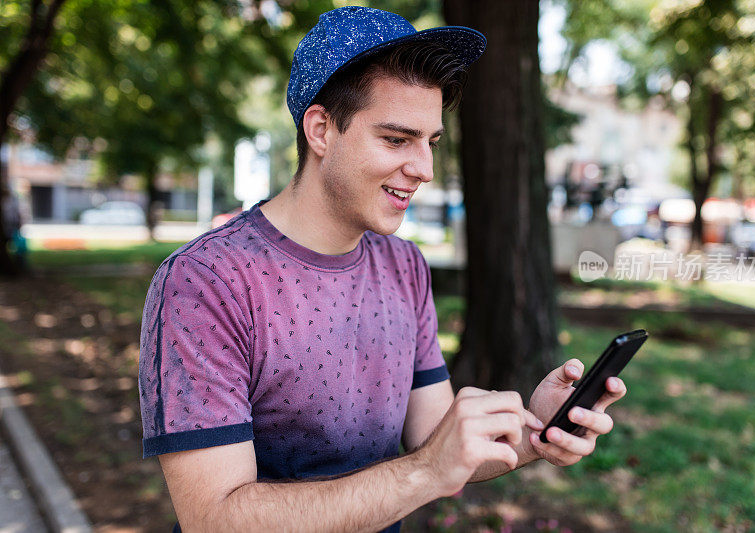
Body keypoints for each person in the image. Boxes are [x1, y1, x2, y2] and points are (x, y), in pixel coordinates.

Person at [138, 7, 627, 532]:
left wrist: (537, 433)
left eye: (431, 142)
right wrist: (423, 472)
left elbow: (432, 439)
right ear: (322, 130)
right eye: (397, 140)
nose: (424, 169)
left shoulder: (404, 265)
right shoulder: (206, 281)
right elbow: (213, 519)